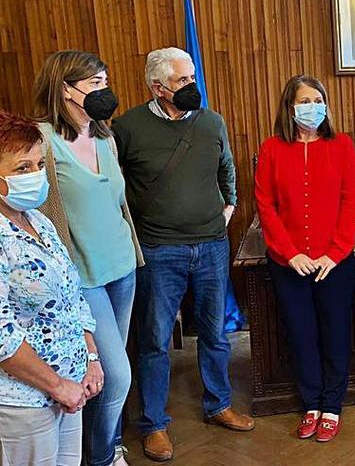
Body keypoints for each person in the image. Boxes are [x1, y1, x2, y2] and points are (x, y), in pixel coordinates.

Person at [112, 47, 253, 462]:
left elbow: (227, 168)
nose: (193, 86)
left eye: (193, 77)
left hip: (211, 245)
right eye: (183, 80)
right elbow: (115, 185)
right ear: (157, 87)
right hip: (159, 252)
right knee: (153, 340)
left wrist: (228, 207)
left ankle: (219, 404)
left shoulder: (211, 122)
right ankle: (153, 424)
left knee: (214, 333)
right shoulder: (128, 128)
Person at [33, 50, 142, 466]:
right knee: (116, 377)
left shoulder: (105, 136)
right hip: (83, 278)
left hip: (123, 268)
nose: (105, 91)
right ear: (66, 89)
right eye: (95, 83)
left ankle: (109, 444)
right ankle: (101, 455)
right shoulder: (41, 138)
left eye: (105, 80)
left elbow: (117, 204)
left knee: (106, 376)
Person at [0, 109, 102, 466]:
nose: (36, 175)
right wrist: (56, 385)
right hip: (20, 400)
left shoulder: (37, 219)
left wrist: (91, 358)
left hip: (68, 385)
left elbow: (72, 295)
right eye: (22, 168)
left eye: (38, 164)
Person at [254, 75, 355, 442]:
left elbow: (351, 202)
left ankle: (332, 405)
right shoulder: (271, 149)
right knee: (301, 336)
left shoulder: (342, 145)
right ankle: (311, 404)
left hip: (335, 262)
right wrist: (290, 252)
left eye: (318, 99)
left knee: (335, 334)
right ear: (290, 106)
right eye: (305, 100)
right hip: (289, 264)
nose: (312, 106)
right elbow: (266, 206)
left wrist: (335, 252)